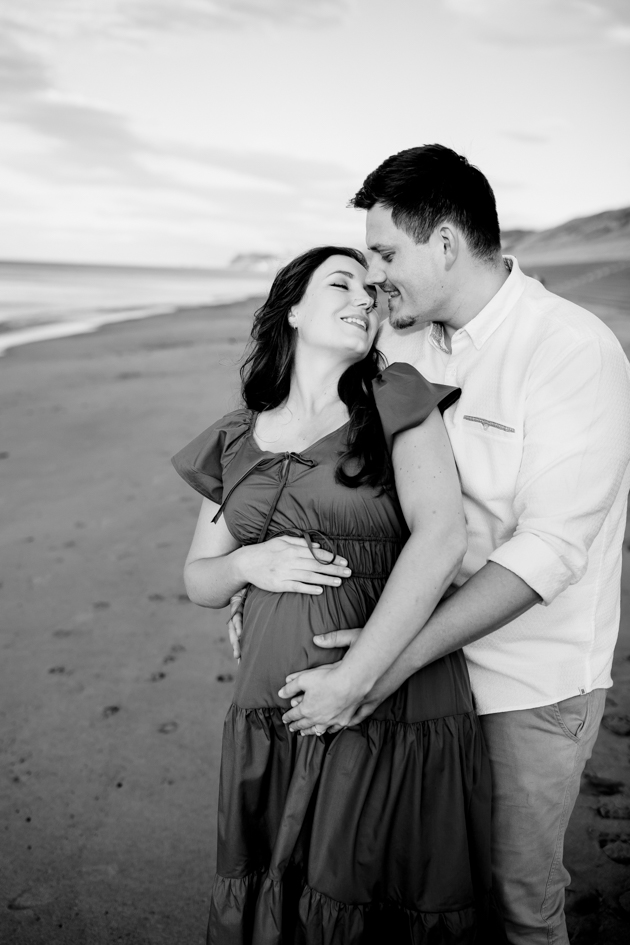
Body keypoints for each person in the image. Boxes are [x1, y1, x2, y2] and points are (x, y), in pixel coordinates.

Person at [278, 146, 630, 945]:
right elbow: (344, 479)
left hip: (527, 684)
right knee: (427, 892)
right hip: (415, 664)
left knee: (516, 899)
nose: (373, 276)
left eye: (385, 253)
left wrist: (377, 665)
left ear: (445, 245)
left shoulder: (571, 349)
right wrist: (253, 576)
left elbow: (548, 554)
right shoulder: (402, 346)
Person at [172, 245, 500, 944]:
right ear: (291, 309)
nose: (365, 297)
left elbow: (441, 534)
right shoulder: (236, 434)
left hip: (386, 704)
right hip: (270, 715)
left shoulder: (397, 396)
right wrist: (247, 565)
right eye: (341, 282)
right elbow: (198, 576)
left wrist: (358, 678)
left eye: (373, 291)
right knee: (282, 896)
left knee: (364, 897)